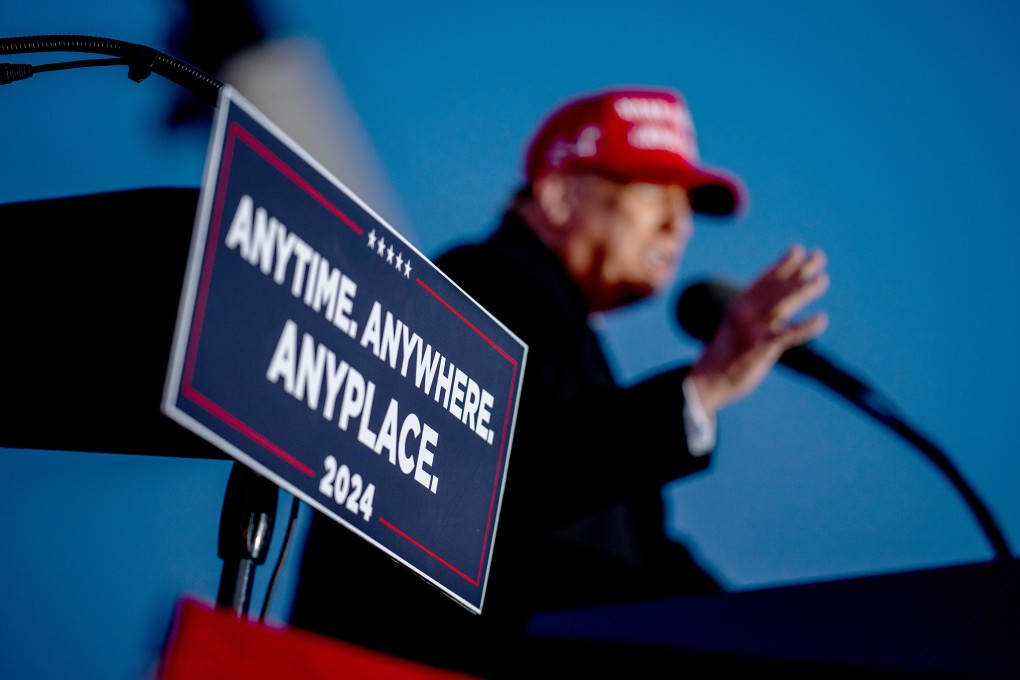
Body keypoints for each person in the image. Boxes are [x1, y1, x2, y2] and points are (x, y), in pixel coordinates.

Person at [288, 85, 829, 677]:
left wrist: (788, 639)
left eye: (688, 206)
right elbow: (489, 476)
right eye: (653, 193)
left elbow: (638, 561)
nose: (680, 226)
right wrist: (699, 391)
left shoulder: (570, 336)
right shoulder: (476, 285)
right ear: (559, 196)